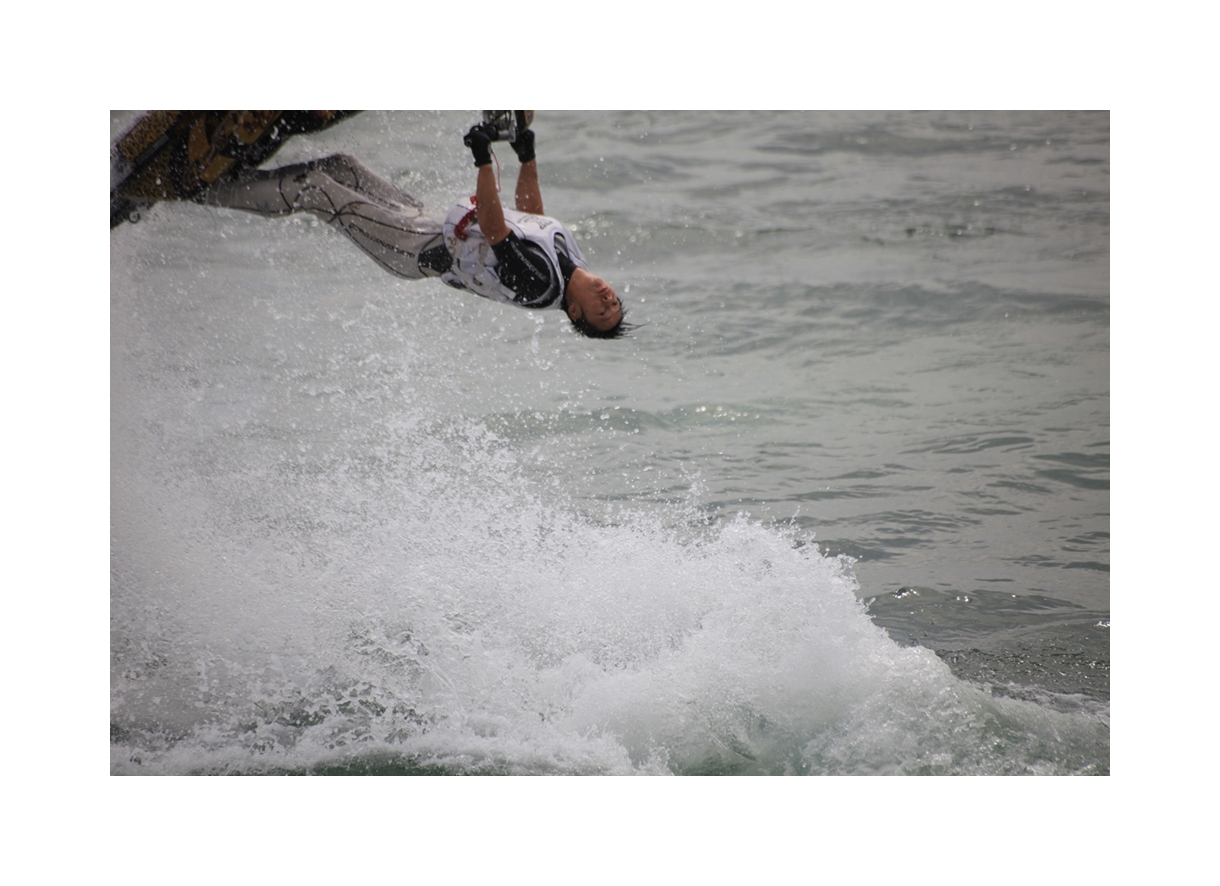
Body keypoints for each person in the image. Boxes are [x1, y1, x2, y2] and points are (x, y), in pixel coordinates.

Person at [200, 121, 629, 338]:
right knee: (341, 167)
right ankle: (240, 171)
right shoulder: (571, 263)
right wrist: (527, 156)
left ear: (575, 312)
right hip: (425, 222)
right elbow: (531, 216)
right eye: (614, 303)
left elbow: (494, 226)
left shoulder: (540, 284)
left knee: (316, 190)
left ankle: (204, 189)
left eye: (601, 311)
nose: (608, 299)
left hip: (410, 246)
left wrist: (483, 159)